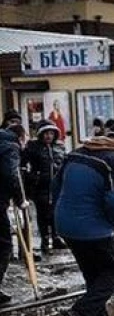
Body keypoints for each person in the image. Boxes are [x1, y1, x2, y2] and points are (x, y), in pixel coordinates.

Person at [53, 121, 114, 316]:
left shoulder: (76, 153)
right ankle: (80, 313)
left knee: (94, 276)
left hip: (65, 224)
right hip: (93, 227)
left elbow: (56, 186)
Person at [22, 119, 67, 252]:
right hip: (40, 186)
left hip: (57, 186)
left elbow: (64, 164)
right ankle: (45, 239)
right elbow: (23, 164)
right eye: (46, 133)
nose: (48, 136)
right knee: (43, 213)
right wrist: (33, 178)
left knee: (55, 212)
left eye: (51, 133)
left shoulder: (59, 147)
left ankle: (56, 236)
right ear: (41, 134)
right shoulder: (33, 147)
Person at [0, 123, 29, 305]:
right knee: (3, 246)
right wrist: (20, 200)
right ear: (21, 137)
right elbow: (12, 175)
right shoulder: (11, 147)